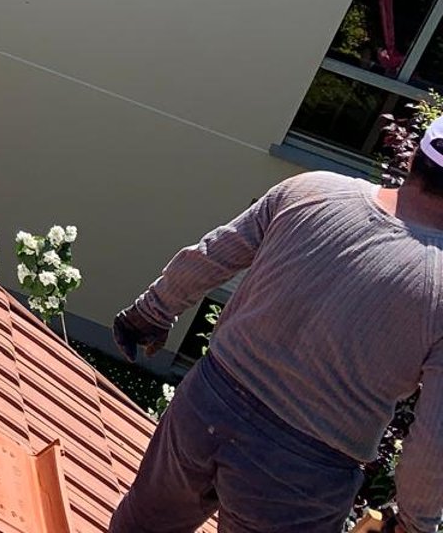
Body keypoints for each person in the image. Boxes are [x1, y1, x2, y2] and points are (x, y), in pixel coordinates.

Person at [110, 119, 443, 533]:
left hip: (207, 404)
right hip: (301, 473)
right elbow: (435, 437)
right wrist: (414, 522)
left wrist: (151, 313)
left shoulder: (314, 190)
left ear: (414, 159)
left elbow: (215, 252)